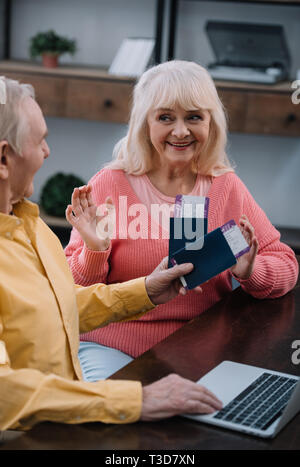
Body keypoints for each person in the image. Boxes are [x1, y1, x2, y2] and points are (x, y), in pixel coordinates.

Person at [0, 77, 224, 431]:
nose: (47, 152)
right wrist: (137, 399)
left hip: (66, 422)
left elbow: (60, 308)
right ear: (3, 158)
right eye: (40, 140)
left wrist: (146, 291)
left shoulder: (31, 226)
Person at [65, 60, 299, 382]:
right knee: (116, 416)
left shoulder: (225, 186)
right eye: (165, 117)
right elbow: (71, 291)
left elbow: (286, 264)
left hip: (200, 348)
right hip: (112, 347)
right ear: (145, 123)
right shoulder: (109, 184)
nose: (180, 131)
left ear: (210, 123)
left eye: (193, 117)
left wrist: (250, 271)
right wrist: (93, 250)